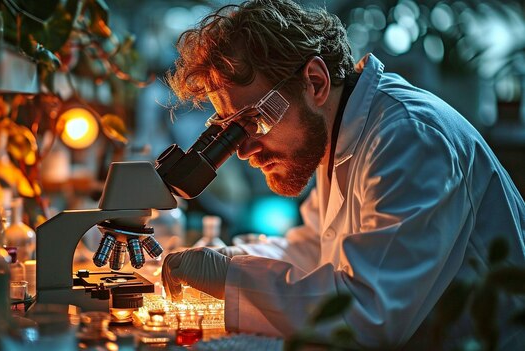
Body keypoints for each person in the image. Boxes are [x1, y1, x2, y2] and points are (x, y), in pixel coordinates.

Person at [160, 0, 525, 349]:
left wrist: (231, 278)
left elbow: (370, 314)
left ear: (315, 82)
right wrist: (227, 259)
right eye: (229, 130)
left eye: (254, 121)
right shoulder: (342, 135)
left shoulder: (408, 139)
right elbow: (312, 250)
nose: (243, 150)